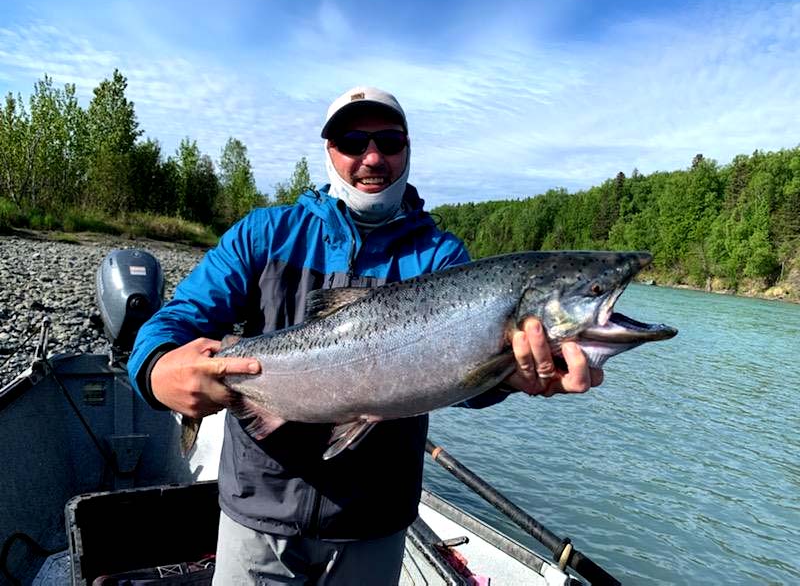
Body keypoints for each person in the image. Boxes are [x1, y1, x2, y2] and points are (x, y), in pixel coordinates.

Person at [128, 86, 603, 585]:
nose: (372, 157)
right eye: (353, 141)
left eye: (389, 142)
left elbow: (462, 385)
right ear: (329, 150)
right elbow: (176, 320)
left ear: (407, 150)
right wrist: (157, 370)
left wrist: (509, 377)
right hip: (258, 509)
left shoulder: (441, 257)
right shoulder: (263, 234)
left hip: (372, 523)